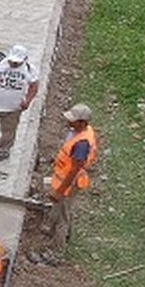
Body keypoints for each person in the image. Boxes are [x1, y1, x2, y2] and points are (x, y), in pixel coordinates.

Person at [40, 103, 99, 253]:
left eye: (73, 120)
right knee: (59, 209)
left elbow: (74, 170)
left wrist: (60, 191)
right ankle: (51, 230)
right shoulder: (79, 132)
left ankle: (55, 251)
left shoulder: (82, 144)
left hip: (69, 184)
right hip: (63, 179)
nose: (69, 122)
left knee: (63, 217)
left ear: (82, 122)